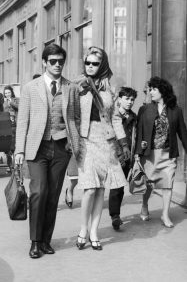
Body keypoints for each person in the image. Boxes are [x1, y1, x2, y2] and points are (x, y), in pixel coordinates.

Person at [15, 43, 80, 259]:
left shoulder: (71, 87)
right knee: (39, 193)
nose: (57, 65)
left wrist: (75, 144)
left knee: (52, 196)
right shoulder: (30, 88)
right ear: (44, 62)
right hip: (37, 148)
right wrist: (19, 150)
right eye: (53, 61)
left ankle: (45, 241)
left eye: (61, 61)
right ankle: (34, 241)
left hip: (62, 147)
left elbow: (75, 117)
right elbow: (22, 121)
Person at [76, 46, 129, 251]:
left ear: (102, 65)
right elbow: (70, 112)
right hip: (85, 140)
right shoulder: (77, 84)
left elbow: (115, 118)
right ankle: (83, 230)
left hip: (105, 140)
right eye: (87, 63)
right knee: (89, 188)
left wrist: (123, 143)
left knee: (99, 189)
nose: (90, 67)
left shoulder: (109, 87)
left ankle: (94, 231)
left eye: (95, 64)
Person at [135, 76, 187, 228]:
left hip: (168, 154)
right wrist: (138, 152)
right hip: (150, 154)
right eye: (150, 89)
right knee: (149, 184)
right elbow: (139, 132)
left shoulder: (176, 111)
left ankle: (165, 214)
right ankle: (145, 205)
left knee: (167, 185)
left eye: (153, 89)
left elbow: (183, 133)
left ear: (162, 91)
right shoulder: (144, 109)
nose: (151, 92)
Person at [108, 87, 137, 230]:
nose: (130, 102)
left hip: (126, 156)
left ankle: (115, 216)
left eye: (132, 100)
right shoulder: (111, 114)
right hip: (112, 154)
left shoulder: (133, 117)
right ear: (119, 99)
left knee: (120, 187)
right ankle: (114, 216)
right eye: (127, 99)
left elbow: (134, 136)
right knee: (115, 185)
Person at [3, 85, 19, 172]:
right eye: (6, 93)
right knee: (8, 146)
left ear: (12, 92)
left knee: (15, 145)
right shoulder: (3, 102)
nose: (7, 94)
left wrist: (11, 103)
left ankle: (16, 165)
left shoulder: (16, 100)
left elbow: (19, 108)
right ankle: (9, 165)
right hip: (6, 125)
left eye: (9, 92)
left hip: (16, 124)